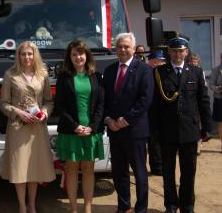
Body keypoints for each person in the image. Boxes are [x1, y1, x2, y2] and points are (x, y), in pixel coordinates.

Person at [152, 37, 212, 213]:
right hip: (167, 130)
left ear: (186, 52)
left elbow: (203, 101)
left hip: (189, 130)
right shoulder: (159, 72)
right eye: (174, 51)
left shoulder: (195, 71)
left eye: (181, 51)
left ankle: (187, 205)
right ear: (169, 52)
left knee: (188, 172)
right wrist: (154, 130)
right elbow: (155, 104)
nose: (178, 54)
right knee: (168, 172)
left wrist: (207, 127)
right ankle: (171, 205)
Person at [0, 41, 55, 213]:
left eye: (30, 54)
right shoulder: (10, 75)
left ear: (35, 55)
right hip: (18, 128)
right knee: (20, 170)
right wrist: (18, 112)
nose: (27, 57)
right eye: (23, 54)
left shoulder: (42, 74)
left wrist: (44, 113)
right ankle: (22, 206)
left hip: (37, 128)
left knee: (34, 169)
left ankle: (32, 205)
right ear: (18, 56)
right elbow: (3, 103)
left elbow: (48, 102)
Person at [103, 32, 154, 213]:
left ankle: (141, 209)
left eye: (126, 46)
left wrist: (126, 120)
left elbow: (145, 100)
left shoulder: (144, 70)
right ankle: (124, 207)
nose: (123, 49)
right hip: (114, 131)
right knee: (119, 173)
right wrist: (108, 119)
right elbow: (105, 100)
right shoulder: (109, 71)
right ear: (115, 49)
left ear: (134, 48)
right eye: (119, 46)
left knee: (139, 172)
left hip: (135, 131)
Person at [54, 40, 105, 213]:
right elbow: (60, 106)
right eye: (74, 54)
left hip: (90, 131)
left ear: (87, 55)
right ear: (70, 57)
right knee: (72, 170)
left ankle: (88, 208)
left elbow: (100, 105)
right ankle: (74, 209)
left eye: (81, 53)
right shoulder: (64, 77)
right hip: (71, 131)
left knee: (89, 169)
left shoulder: (96, 76)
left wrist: (92, 126)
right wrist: (75, 126)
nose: (78, 57)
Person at [147, 50, 167, 176]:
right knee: (154, 141)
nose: (162, 64)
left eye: (163, 61)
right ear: (152, 62)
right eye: (159, 62)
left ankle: (162, 166)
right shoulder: (147, 73)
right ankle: (157, 167)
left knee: (164, 141)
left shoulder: (166, 73)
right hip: (151, 112)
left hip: (164, 113)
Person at [209, 53, 222, 152]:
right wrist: (219, 89)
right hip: (219, 100)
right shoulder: (216, 70)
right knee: (221, 124)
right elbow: (211, 84)